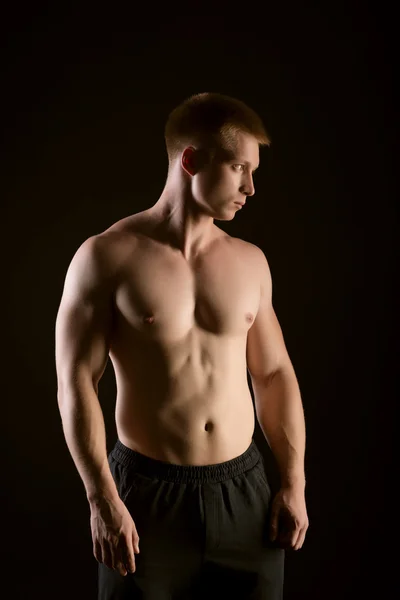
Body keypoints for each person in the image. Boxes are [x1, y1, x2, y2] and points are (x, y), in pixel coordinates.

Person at [55, 92, 309, 599]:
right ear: (191, 160)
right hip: (146, 499)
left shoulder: (250, 263)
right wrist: (102, 499)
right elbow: (76, 380)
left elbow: (274, 373)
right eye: (239, 167)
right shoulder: (105, 258)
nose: (251, 187)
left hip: (245, 492)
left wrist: (294, 482)